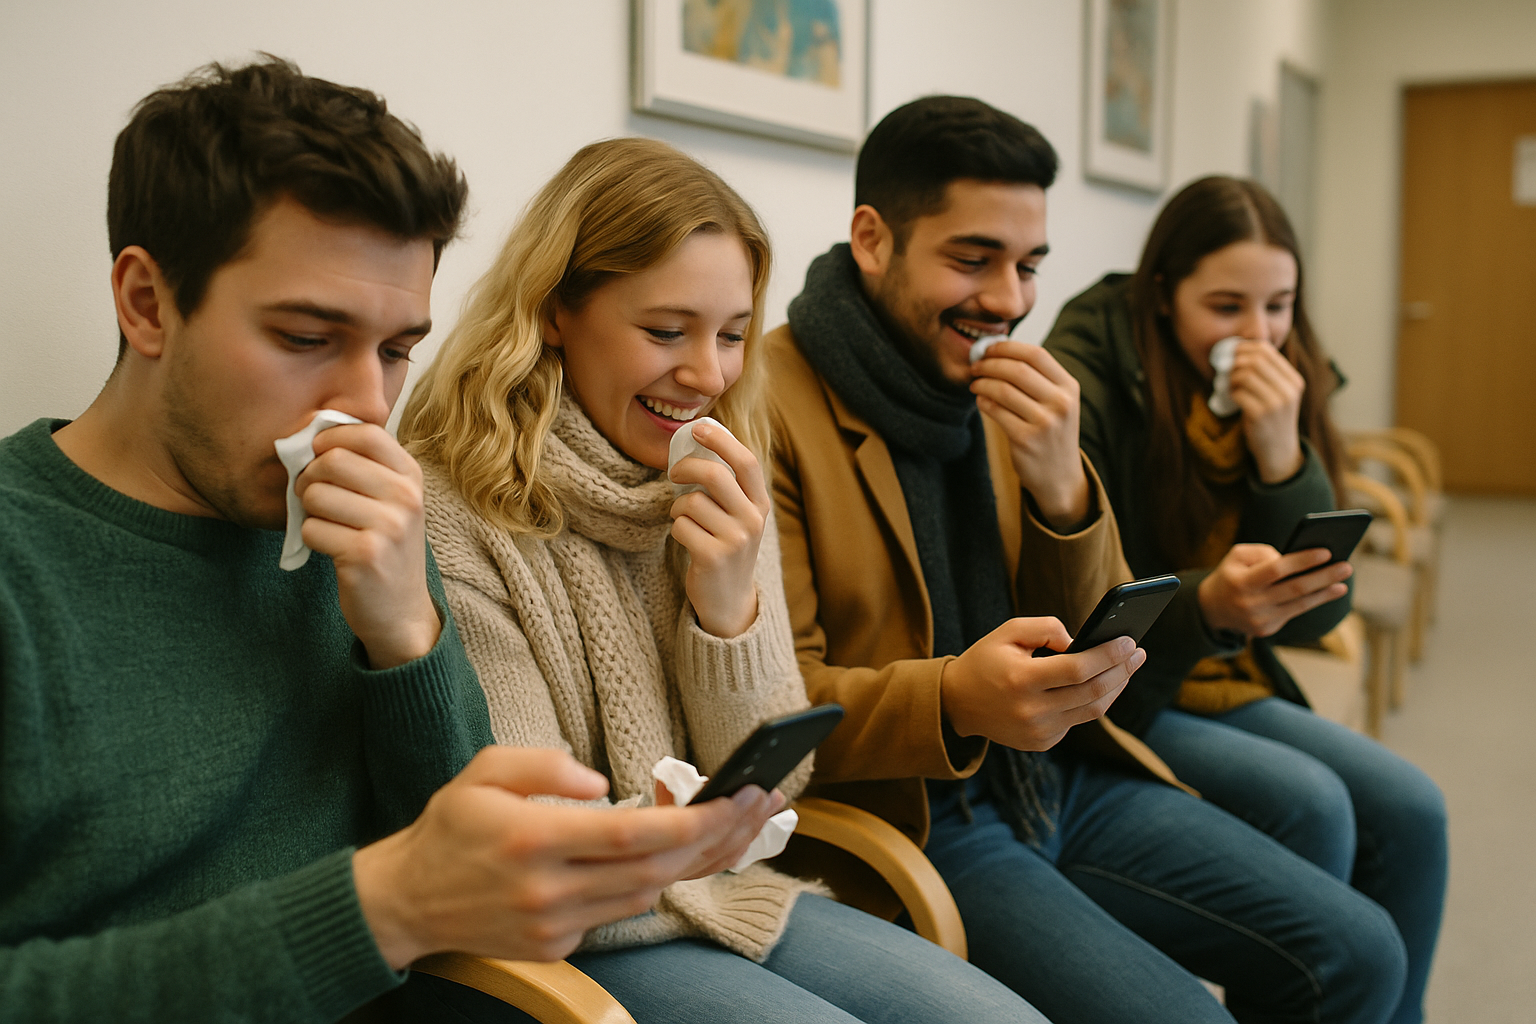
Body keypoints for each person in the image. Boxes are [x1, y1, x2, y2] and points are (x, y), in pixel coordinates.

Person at [0, 58, 784, 1024]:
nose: (369, 405)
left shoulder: (376, 537)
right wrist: (382, 906)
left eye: (396, 349)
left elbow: (477, 883)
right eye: (304, 337)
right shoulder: (21, 567)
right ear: (148, 304)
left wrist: (408, 636)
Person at [767, 95, 1412, 1024]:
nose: (1009, 300)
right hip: (924, 816)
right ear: (872, 239)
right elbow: (780, 696)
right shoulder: (771, 405)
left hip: (1055, 774)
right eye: (972, 258)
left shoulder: (1001, 388)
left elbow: (1104, 625)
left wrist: (1064, 491)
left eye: (1028, 265)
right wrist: (954, 695)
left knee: (1359, 951)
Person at [397, 135, 1050, 1024]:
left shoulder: (719, 474)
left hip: (725, 896)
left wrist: (727, 610)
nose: (707, 375)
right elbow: (536, 832)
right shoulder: (449, 510)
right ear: (555, 310)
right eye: (665, 331)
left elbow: (776, 786)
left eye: (734, 334)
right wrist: (693, 827)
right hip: (568, 937)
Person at [1042, 175, 1447, 1024]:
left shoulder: (1289, 385)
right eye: (1226, 307)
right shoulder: (1093, 383)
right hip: (1132, 686)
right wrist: (1212, 603)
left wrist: (1279, 458)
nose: (1257, 336)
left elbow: (1322, 613)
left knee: (1413, 809)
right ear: (1163, 294)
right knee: (1310, 801)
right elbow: (1093, 597)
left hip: (1227, 669)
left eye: (1279, 307)